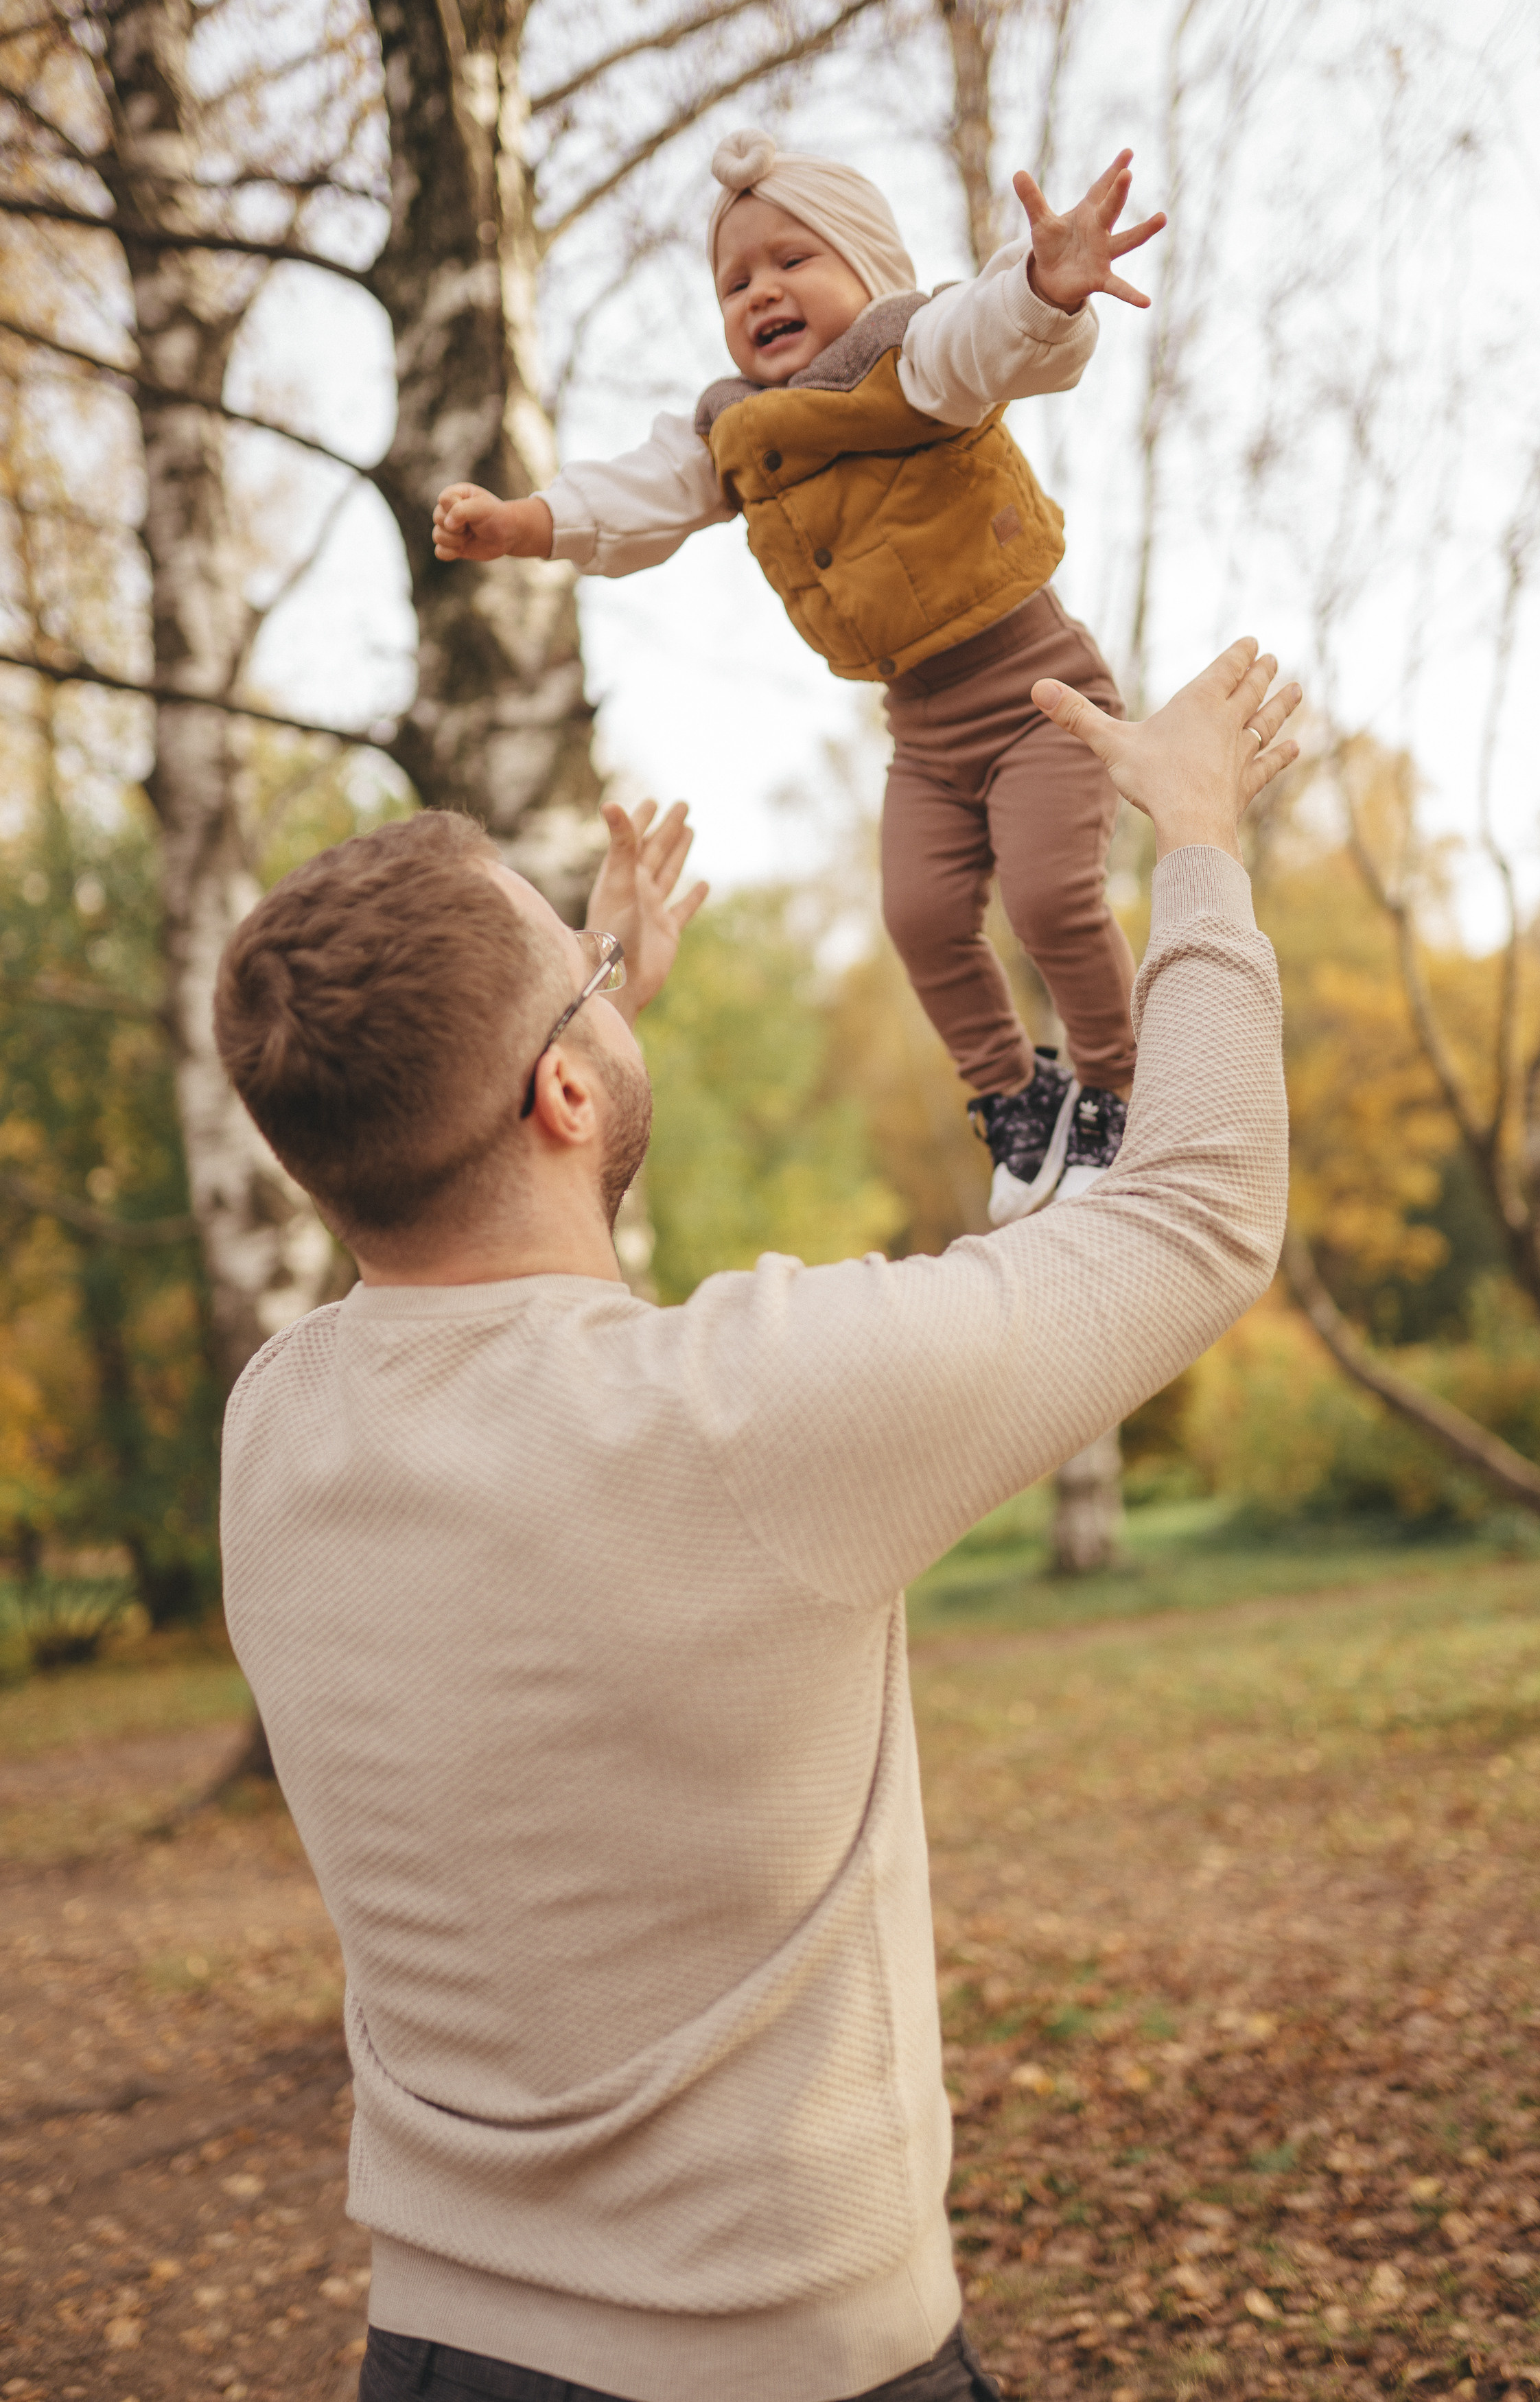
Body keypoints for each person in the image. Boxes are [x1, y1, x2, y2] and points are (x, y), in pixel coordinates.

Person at [214, 638, 1297, 2402]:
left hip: (432, 2353)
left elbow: (510, 1313)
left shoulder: (280, 1428)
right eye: (586, 989)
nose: (607, 983)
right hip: (785, 2369)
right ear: (567, 1095)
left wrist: (570, 997)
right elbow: (1193, 1216)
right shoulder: (751, 1422)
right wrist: (1195, 835)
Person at [432, 128, 1168, 1227]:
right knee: (920, 918)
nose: (760, 292)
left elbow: (989, 338)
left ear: (867, 271)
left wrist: (1041, 287)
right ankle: (1017, 1101)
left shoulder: (909, 356)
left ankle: (1114, 1088)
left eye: (792, 261)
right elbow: (639, 496)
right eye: (734, 281)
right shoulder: (735, 430)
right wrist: (524, 527)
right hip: (920, 731)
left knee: (1050, 895)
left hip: (1037, 695)